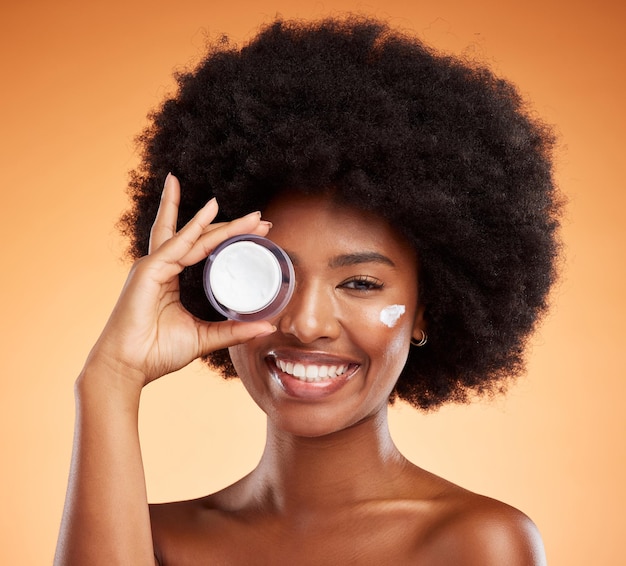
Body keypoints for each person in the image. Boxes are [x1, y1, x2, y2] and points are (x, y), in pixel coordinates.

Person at [55, 16, 560, 565]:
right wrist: (111, 379)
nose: (306, 322)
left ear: (426, 311)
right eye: (271, 275)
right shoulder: (145, 540)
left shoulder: (474, 543)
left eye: (361, 283)